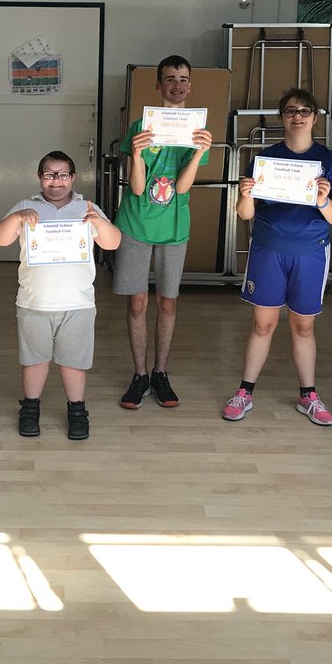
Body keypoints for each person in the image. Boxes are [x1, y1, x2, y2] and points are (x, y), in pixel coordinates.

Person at [222, 88, 332, 425]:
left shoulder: (330, 162)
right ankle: (244, 392)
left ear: (314, 117)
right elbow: (245, 214)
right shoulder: (266, 158)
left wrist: (323, 200)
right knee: (263, 324)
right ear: (282, 117)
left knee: (303, 327)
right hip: (268, 251)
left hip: (310, 253)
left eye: (304, 110)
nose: (297, 116)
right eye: (291, 110)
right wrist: (245, 194)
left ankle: (308, 394)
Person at [0, 151, 121, 440]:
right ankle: (30, 409)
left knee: (73, 362)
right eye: (49, 174)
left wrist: (98, 223)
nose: (56, 181)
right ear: (40, 178)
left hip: (78, 303)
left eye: (63, 174)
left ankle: (77, 411)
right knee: (34, 361)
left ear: (73, 178)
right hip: (34, 302)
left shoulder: (87, 207)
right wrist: (16, 217)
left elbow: (113, 243)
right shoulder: (26, 206)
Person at [113, 55, 212, 410]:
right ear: (158, 85)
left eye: (183, 78)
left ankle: (160, 372)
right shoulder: (142, 124)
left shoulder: (197, 130)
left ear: (190, 84)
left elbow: (183, 189)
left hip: (174, 229)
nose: (177, 84)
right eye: (169, 78)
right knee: (137, 301)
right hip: (136, 224)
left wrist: (201, 150)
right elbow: (137, 189)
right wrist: (137, 155)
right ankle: (140, 374)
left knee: (167, 302)